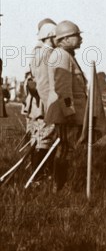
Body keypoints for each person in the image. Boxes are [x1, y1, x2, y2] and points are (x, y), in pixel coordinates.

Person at [45, 21, 87, 190]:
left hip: (68, 113)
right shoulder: (61, 56)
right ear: (66, 38)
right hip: (67, 114)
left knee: (65, 150)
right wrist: (69, 112)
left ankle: (60, 187)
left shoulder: (65, 55)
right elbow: (62, 88)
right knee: (65, 150)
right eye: (77, 35)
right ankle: (59, 188)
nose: (81, 38)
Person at [23, 20, 57, 177]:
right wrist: (50, 107)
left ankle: (38, 175)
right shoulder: (46, 54)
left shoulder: (39, 52)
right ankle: (38, 177)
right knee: (44, 139)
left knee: (38, 139)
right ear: (51, 36)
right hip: (43, 105)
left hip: (36, 104)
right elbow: (43, 84)